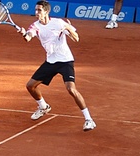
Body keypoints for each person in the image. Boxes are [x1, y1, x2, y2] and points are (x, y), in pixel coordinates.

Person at [17, 0, 96, 131]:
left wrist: (68, 29)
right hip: (51, 61)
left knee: (71, 89)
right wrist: (24, 33)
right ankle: (43, 106)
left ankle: (89, 119)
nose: (36, 13)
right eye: (36, 10)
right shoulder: (35, 26)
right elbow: (28, 37)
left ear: (46, 11)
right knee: (30, 86)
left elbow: (76, 38)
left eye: (39, 10)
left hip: (65, 61)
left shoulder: (59, 23)